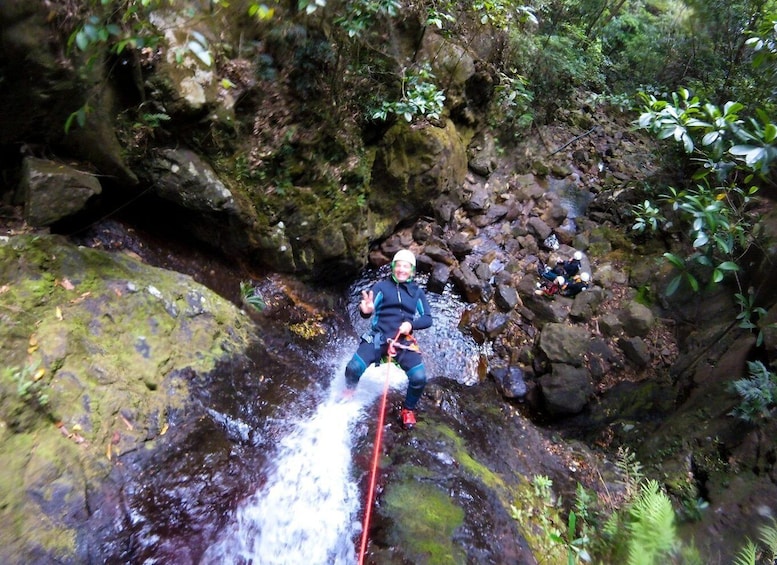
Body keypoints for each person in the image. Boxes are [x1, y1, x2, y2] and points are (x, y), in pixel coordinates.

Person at [344, 249, 433, 430]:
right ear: (393, 268)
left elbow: (428, 319)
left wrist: (411, 325)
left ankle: (408, 409)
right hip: (378, 337)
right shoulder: (381, 288)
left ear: (412, 270)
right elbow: (367, 310)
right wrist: (366, 310)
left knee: (419, 377)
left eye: (405, 266)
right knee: (353, 367)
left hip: (403, 342)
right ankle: (349, 390)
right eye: (398, 265)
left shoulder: (417, 293)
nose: (401, 269)